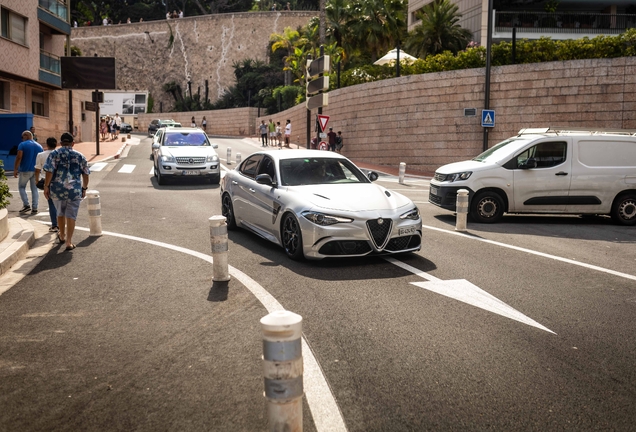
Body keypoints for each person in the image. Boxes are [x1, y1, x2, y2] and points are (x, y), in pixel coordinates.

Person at [43, 132, 90, 251]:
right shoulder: (80, 156)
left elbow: (49, 171)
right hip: (74, 190)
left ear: (61, 142)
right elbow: (85, 174)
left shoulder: (54, 154)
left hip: (57, 189)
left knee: (60, 212)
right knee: (71, 215)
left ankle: (62, 235)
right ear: (73, 143)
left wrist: (46, 186)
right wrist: (84, 188)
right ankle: (69, 242)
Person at [14, 130, 43, 214]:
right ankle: (35, 207)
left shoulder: (22, 145)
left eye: (22, 137)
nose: (22, 139)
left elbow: (19, 157)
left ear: (26, 136)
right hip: (36, 170)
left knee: (21, 187)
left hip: (25, 169)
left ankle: (26, 205)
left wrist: (15, 169)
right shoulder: (39, 146)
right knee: (34, 189)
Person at [34, 137, 59, 232]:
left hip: (47, 181)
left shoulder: (41, 155)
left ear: (47, 144)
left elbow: (37, 169)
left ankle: (55, 225)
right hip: (60, 180)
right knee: (62, 203)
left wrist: (37, 180)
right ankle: (62, 223)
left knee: (51, 203)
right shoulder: (59, 154)